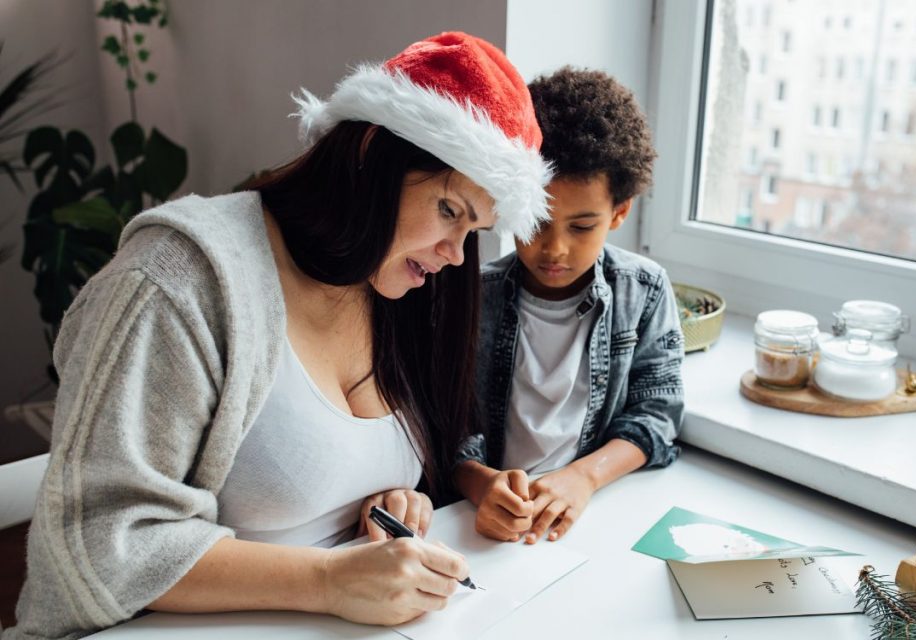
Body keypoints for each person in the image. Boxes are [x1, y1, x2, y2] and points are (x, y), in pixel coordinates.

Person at [5, 32, 551, 640]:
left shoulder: (391, 287)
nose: (455, 254)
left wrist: (391, 504)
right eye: (450, 211)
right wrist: (327, 580)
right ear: (371, 150)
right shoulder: (177, 279)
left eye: (474, 230)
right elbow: (98, 545)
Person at [454, 67, 684, 545]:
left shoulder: (643, 291)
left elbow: (655, 416)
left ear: (619, 214)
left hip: (590, 520)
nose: (553, 249)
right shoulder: (474, 294)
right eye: (536, 221)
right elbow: (438, 426)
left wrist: (584, 477)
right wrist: (481, 484)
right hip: (478, 521)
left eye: (581, 227)